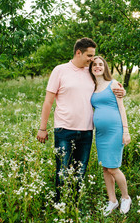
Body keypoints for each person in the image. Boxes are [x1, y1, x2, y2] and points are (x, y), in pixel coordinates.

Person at [36, 38, 124, 203]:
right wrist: (43, 128)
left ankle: (75, 205)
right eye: (89, 55)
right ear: (78, 52)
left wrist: (121, 91)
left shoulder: (90, 72)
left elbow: (106, 85)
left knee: (80, 171)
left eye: (93, 56)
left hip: (86, 131)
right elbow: (48, 101)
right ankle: (61, 206)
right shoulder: (60, 70)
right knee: (62, 171)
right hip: (64, 129)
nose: (92, 59)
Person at [89, 56, 132, 216]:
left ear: (105, 67)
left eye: (100, 64)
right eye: (94, 64)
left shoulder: (113, 84)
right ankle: (112, 201)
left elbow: (121, 108)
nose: (97, 67)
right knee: (106, 168)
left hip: (115, 131)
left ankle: (126, 198)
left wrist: (126, 131)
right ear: (91, 68)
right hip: (100, 134)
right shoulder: (91, 86)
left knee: (113, 168)